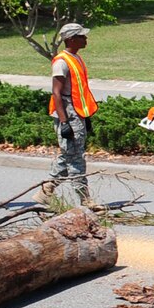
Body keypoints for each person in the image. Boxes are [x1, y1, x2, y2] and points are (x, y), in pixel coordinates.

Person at [48, 23, 98, 203]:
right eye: (82, 36)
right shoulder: (62, 62)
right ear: (70, 39)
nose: (86, 39)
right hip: (68, 115)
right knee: (76, 158)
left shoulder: (76, 58)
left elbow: (81, 91)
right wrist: (64, 122)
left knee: (68, 154)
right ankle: (85, 200)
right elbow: (57, 93)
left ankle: (47, 189)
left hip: (78, 114)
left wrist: (86, 117)